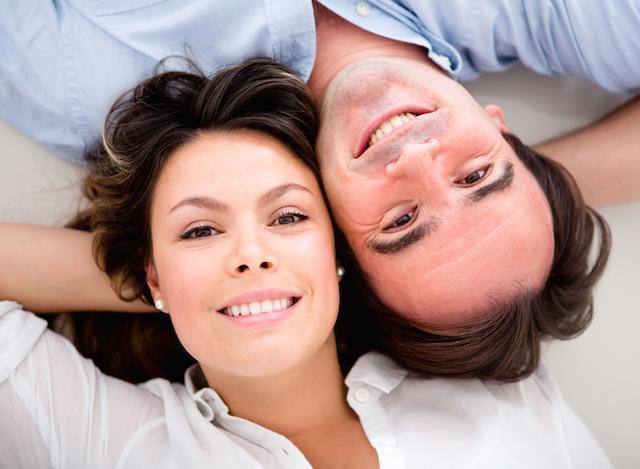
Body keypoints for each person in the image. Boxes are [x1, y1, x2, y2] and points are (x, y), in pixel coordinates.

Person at [0, 58, 613, 468]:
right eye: (201, 228)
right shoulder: (108, 442)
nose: (250, 255)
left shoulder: (505, 405)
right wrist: (176, 285)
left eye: (288, 217)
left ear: (339, 249)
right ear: (152, 272)